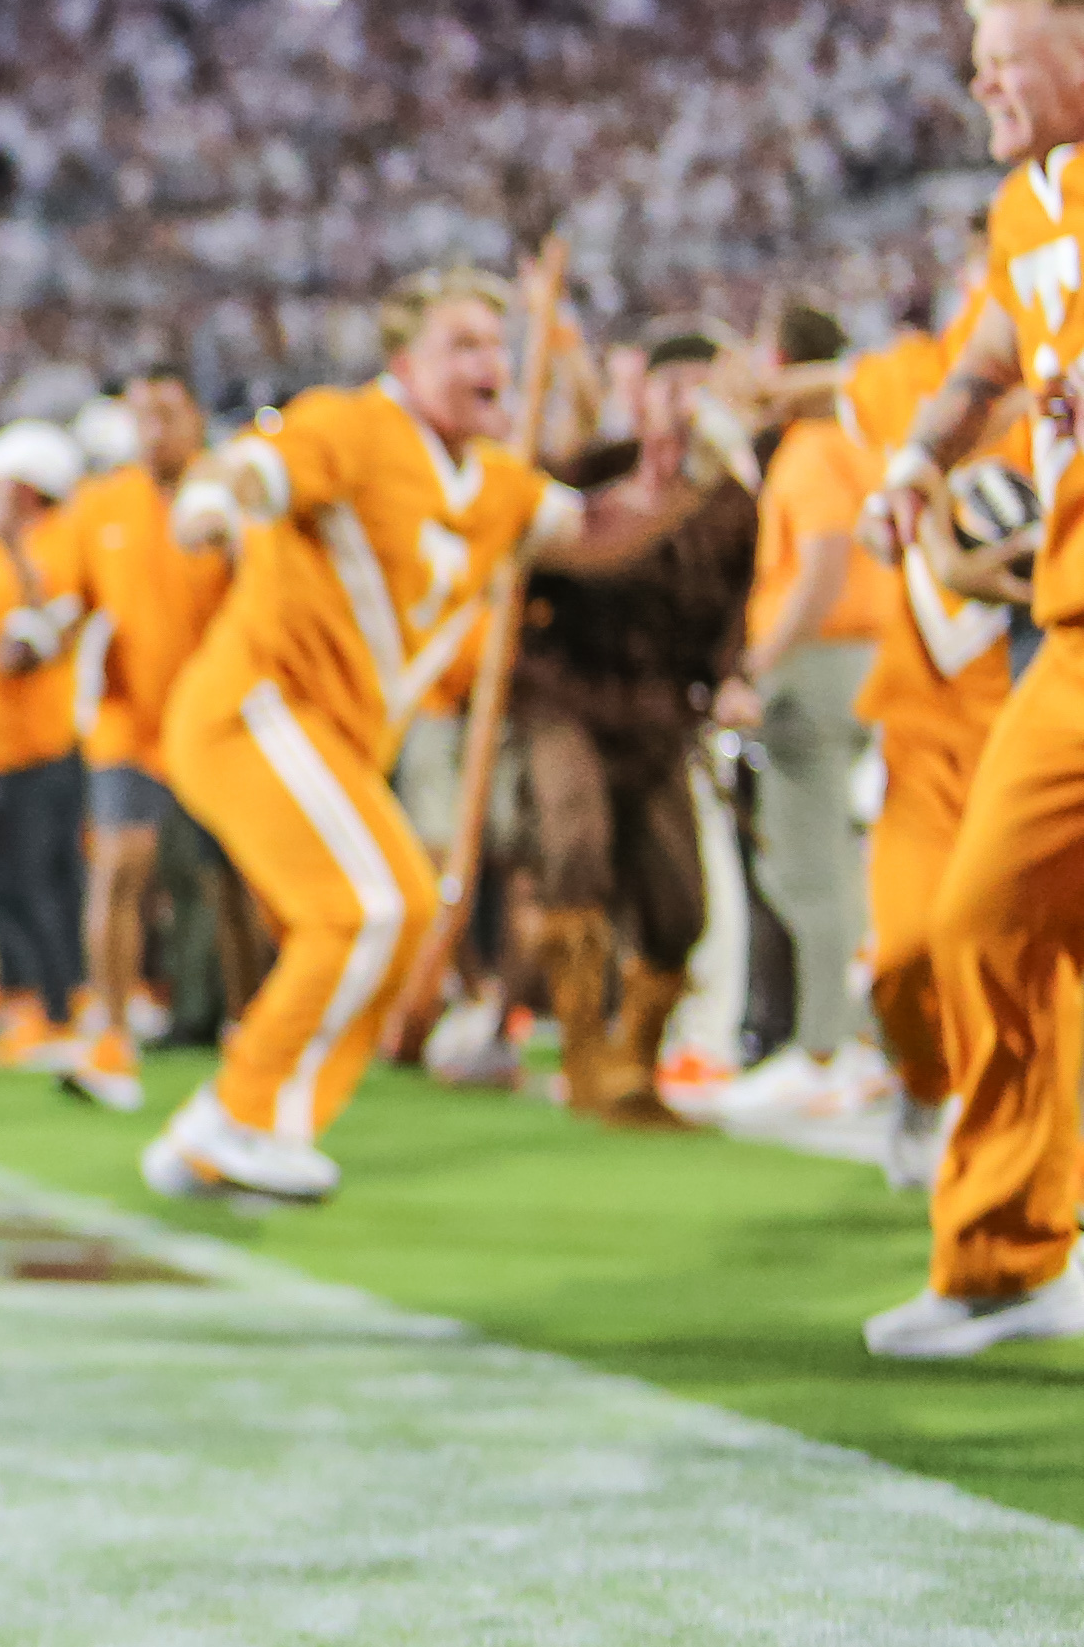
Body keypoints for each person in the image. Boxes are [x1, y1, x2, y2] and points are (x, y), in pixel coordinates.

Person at [151, 267, 689, 1204]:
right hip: (255, 708)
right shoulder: (355, 426)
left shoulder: (495, 482)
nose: (492, 361)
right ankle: (232, 1117)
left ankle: (253, 1127)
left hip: (328, 738)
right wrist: (209, 504)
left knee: (397, 902)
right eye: (464, 343)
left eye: (496, 342)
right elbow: (250, 468)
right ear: (406, 359)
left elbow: (600, 532)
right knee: (373, 903)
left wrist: (692, 479)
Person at [856, 0, 1084, 1356]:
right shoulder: (1029, 203)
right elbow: (997, 345)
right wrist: (913, 457)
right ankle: (1006, 1261)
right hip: (1066, 635)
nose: (980, 80)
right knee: (981, 920)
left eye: (1008, 54)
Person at [509, 332, 758, 1127]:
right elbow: (535, 553)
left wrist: (729, 679)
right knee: (575, 846)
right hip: (566, 695)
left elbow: (734, 613)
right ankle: (583, 1054)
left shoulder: (734, 506)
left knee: (681, 902)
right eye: (673, 385)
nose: (688, 404)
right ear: (643, 396)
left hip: (658, 713)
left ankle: (635, 1066)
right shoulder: (592, 471)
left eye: (704, 387)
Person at [822, 293, 1025, 1197]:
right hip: (925, 741)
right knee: (905, 951)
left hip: (1036, 732)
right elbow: (844, 385)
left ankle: (1028, 1156)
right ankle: (922, 1081)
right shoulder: (915, 379)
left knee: (1029, 962)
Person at [718, 298, 887, 1108]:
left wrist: (755, 662)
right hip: (867, 660)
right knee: (847, 868)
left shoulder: (813, 452)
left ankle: (827, 1047)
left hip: (818, 667)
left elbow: (822, 565)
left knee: (808, 865)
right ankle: (858, 1041)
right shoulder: (856, 442)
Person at [59, 368, 229, 1098]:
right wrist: (41, 632)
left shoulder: (226, 494)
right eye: (143, 417)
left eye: (168, 413)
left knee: (231, 882)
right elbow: (69, 596)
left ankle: (250, 1025)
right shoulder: (101, 504)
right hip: (128, 719)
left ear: (194, 417)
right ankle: (113, 1032)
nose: (155, 430)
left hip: (215, 712)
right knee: (121, 863)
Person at [0, 422, 99, 1091]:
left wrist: (12, 555)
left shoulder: (55, 547)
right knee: (1, 881)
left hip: (38, 747)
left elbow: (45, 636)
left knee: (44, 885)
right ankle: (22, 998)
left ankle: (58, 1008)